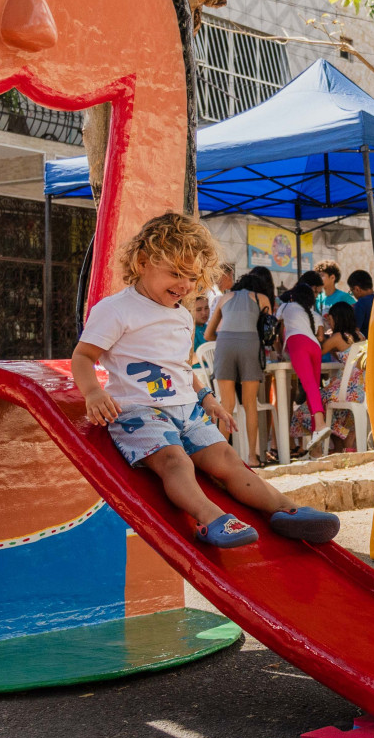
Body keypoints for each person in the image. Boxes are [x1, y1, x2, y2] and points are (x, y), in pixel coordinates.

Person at [71, 213, 337, 546]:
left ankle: (286, 511)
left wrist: (207, 398)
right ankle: (212, 518)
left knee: (227, 459)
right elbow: (82, 356)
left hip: (186, 408)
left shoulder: (183, 315)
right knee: (175, 460)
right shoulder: (117, 310)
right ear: (142, 262)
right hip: (140, 412)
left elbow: (182, 367)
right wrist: (93, 392)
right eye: (176, 273)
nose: (184, 285)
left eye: (192, 277)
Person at [206, 265, 275, 466]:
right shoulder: (262, 299)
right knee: (250, 403)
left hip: (224, 344)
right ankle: (252, 457)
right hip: (250, 344)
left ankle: (220, 458)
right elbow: (269, 331)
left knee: (226, 405)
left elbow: (209, 334)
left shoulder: (224, 298)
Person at [278, 281, 326, 436]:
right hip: (315, 347)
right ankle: (317, 441)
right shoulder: (314, 314)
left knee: (309, 386)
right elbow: (320, 336)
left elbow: (275, 324)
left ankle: (320, 425)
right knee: (314, 389)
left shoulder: (286, 307)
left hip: (298, 344)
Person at [347, 269, 374, 335]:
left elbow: (356, 330)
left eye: (351, 291)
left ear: (357, 289)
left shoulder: (360, 304)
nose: (353, 294)